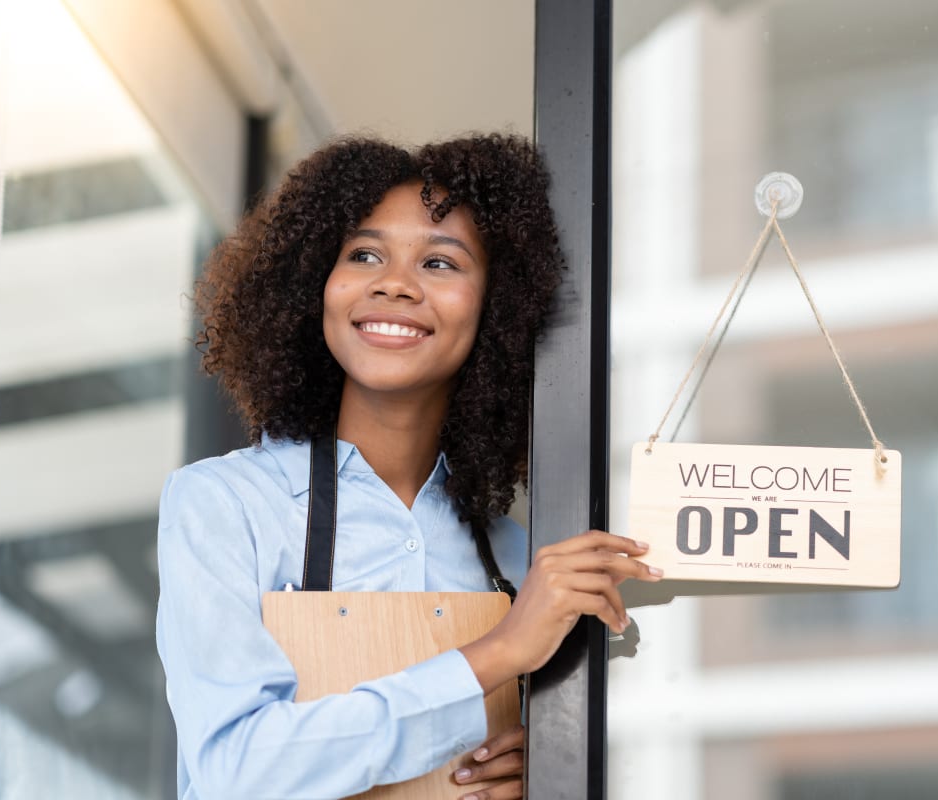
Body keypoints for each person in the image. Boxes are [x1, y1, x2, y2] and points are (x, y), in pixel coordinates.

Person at [155, 133, 662, 800]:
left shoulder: (518, 561)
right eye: (363, 254)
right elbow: (236, 773)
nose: (394, 283)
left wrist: (548, 770)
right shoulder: (226, 506)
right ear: (316, 285)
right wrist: (498, 654)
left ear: (498, 310)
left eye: (441, 263)